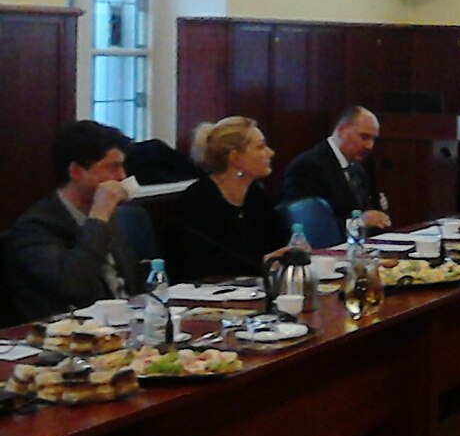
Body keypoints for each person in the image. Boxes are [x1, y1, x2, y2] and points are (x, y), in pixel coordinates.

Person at [4, 120, 145, 322]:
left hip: (125, 325)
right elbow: (74, 286)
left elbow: (132, 284)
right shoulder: (34, 228)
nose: (122, 176)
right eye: (112, 167)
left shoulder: (107, 215)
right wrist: (98, 219)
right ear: (76, 171)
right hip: (70, 335)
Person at [169, 116, 291, 280]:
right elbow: (202, 262)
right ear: (235, 158)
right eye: (260, 147)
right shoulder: (198, 200)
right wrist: (262, 262)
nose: (270, 152)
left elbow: (281, 240)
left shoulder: (255, 194)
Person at [279, 104, 391, 231]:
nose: (369, 146)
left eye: (373, 139)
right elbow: (309, 225)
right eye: (364, 137)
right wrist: (359, 222)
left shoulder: (357, 169)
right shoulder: (307, 166)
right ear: (341, 130)